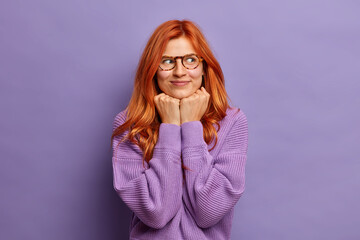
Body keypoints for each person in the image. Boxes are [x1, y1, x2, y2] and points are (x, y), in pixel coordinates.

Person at [111, 19, 248, 240]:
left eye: (190, 60)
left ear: (204, 67)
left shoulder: (231, 122)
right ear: (153, 70)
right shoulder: (129, 125)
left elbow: (207, 213)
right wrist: (170, 127)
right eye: (167, 61)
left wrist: (191, 126)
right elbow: (157, 213)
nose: (179, 71)